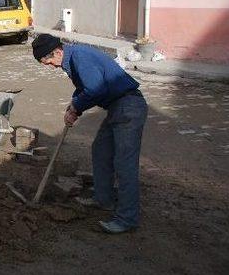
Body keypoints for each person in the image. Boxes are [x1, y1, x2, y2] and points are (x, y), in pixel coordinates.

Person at [32, 34, 148, 234]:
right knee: (101, 151)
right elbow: (86, 87)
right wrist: (73, 105)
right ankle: (104, 199)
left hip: (128, 107)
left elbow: (95, 89)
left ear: (57, 52)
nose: (50, 66)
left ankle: (127, 219)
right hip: (117, 107)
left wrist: (76, 107)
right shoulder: (74, 58)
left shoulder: (79, 56)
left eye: (48, 61)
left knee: (124, 164)